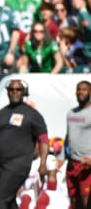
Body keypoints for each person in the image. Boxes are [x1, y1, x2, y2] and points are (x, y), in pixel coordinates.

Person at [0, 79, 49, 209]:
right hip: (0, 166)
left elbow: (44, 139)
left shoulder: (32, 114)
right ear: (7, 92)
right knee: (9, 201)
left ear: (23, 92)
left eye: (18, 90)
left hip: (19, 164)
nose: (15, 92)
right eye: (11, 90)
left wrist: (43, 163)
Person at [66, 80, 91, 209]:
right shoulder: (71, 113)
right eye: (78, 89)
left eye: (84, 89)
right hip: (72, 164)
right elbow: (68, 136)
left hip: (87, 164)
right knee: (74, 201)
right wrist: (63, 158)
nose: (80, 92)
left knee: (86, 202)